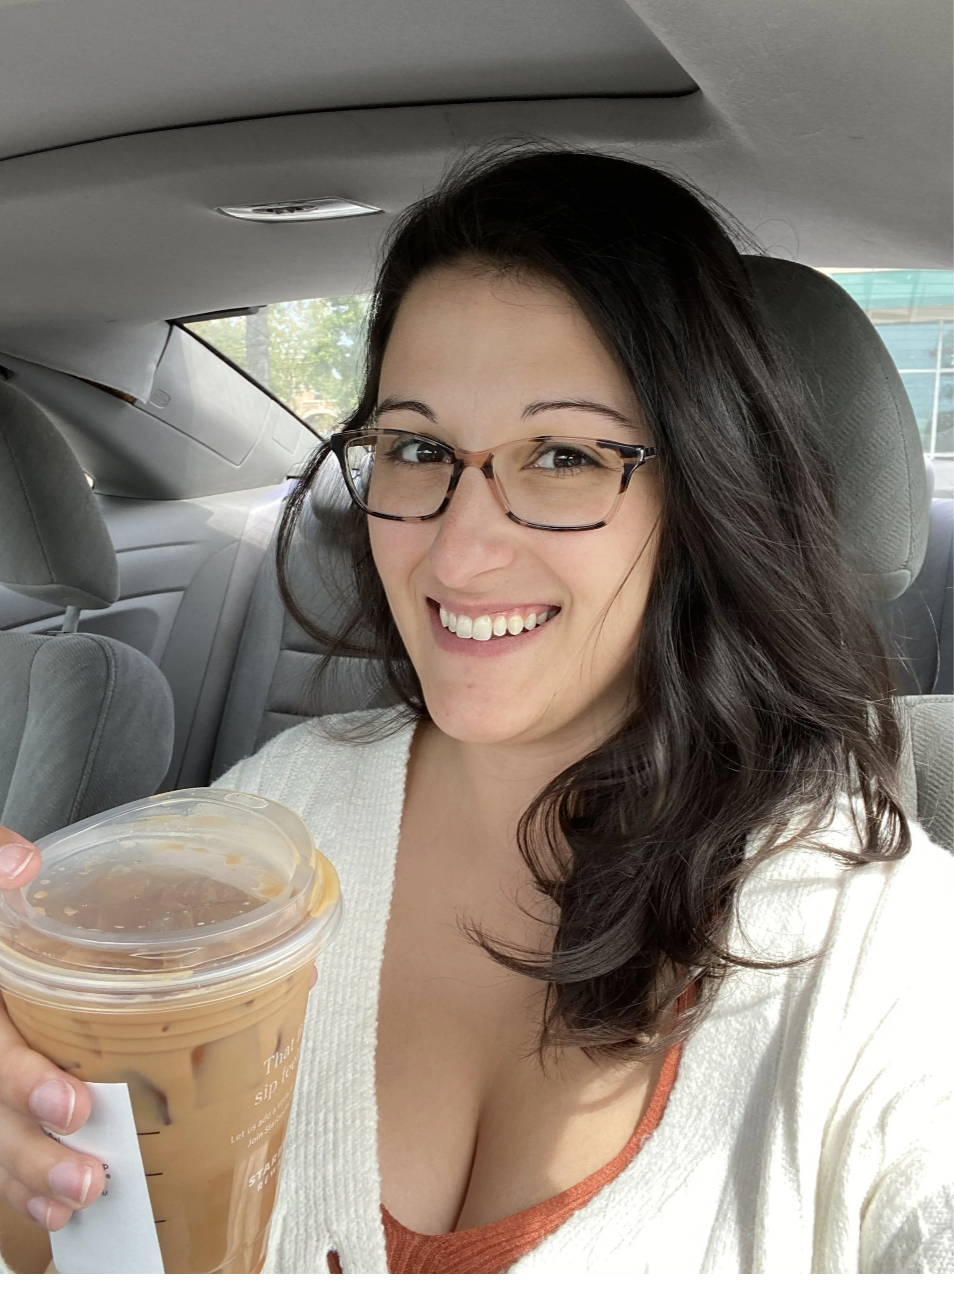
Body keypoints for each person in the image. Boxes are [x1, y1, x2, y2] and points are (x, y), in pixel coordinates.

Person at [0, 147, 951, 1275]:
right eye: (416, 449)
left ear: (703, 494)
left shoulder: (881, 952)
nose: (458, 548)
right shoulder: (266, 820)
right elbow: (110, 1238)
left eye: (561, 456)